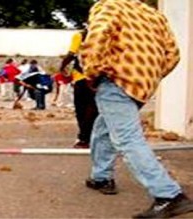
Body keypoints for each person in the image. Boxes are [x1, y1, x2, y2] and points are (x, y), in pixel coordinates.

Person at [81, 0, 193, 218]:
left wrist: (91, 72)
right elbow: (172, 54)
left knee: (127, 139)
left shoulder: (108, 6)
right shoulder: (153, 15)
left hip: (116, 79)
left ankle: (169, 195)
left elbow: (97, 37)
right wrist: (149, 77)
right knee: (104, 126)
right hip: (142, 84)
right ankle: (101, 176)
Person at [60, 27, 98, 149]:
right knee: (94, 110)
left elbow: (71, 54)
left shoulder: (80, 36)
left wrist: (62, 65)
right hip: (99, 78)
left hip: (81, 78)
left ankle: (84, 138)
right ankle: (91, 136)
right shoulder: (104, 36)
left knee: (82, 110)